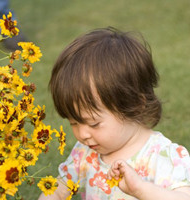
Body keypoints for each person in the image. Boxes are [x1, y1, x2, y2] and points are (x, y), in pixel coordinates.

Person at [38, 27, 190, 200]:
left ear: (134, 104)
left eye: (93, 123)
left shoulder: (163, 156)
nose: (82, 134)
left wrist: (140, 190)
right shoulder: (84, 153)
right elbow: (57, 192)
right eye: (73, 122)